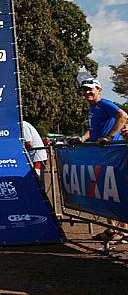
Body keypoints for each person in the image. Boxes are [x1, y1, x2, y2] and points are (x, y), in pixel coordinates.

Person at [73, 78, 128, 242]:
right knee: (105, 193)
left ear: (99, 90)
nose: (87, 92)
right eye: (85, 90)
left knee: (117, 191)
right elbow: (92, 130)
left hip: (112, 154)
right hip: (100, 155)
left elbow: (122, 115)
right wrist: (82, 138)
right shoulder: (92, 108)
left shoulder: (105, 104)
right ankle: (112, 229)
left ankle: (123, 230)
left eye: (91, 89)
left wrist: (109, 137)